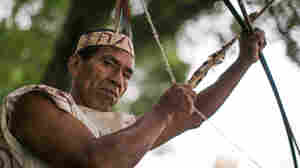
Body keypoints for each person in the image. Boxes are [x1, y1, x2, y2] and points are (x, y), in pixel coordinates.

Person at [0, 28, 266, 168]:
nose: (118, 79)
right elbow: (97, 162)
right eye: (107, 63)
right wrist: (161, 113)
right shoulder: (32, 102)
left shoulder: (123, 131)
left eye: (127, 74)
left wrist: (243, 61)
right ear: (75, 64)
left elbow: (193, 116)